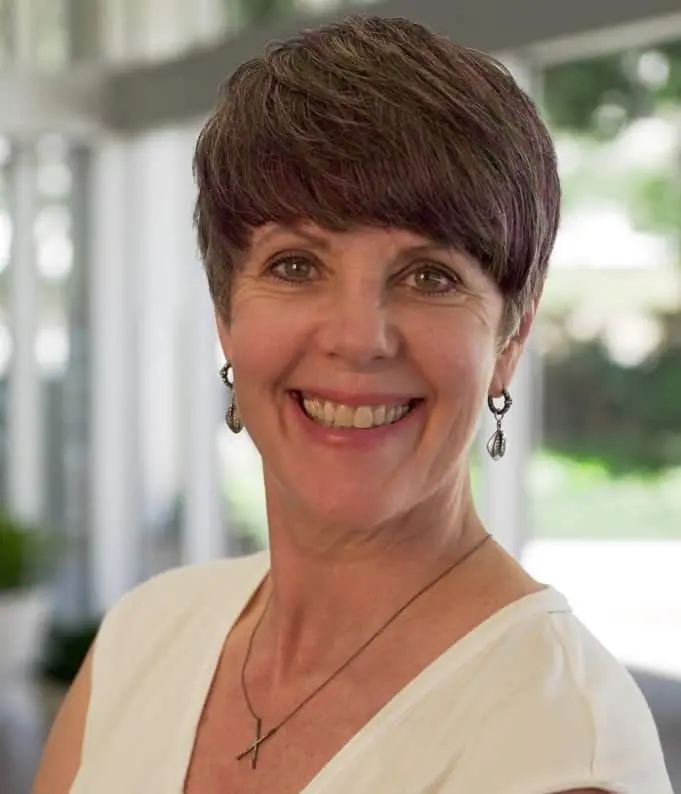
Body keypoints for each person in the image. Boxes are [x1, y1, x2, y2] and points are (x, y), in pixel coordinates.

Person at [33, 15, 671, 794]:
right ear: (225, 315)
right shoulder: (143, 636)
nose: (356, 337)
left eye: (429, 276)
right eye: (295, 264)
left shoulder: (555, 748)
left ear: (508, 340)